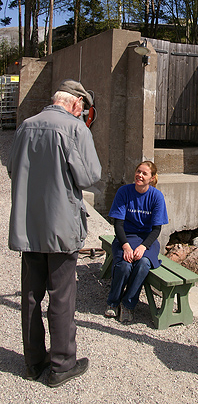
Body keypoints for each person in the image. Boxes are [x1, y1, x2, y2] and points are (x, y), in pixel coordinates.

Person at [7, 79, 102, 388]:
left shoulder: (25, 126)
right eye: (83, 109)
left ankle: (33, 362)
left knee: (31, 295)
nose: (83, 114)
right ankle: (62, 364)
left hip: (29, 225)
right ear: (76, 103)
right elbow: (89, 177)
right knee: (62, 296)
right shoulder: (77, 130)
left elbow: (12, 168)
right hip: (61, 229)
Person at [105, 160, 168, 324]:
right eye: (138, 171)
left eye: (144, 173)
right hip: (126, 236)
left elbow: (156, 229)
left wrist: (143, 247)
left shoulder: (156, 196)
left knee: (143, 264)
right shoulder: (124, 192)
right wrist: (125, 246)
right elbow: (117, 224)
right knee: (124, 264)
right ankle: (113, 302)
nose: (139, 175)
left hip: (147, 240)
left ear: (152, 178)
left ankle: (128, 305)